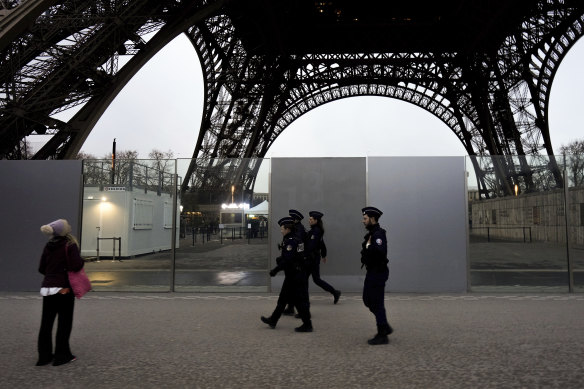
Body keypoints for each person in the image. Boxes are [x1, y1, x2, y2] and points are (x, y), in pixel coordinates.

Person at [36, 219, 84, 366]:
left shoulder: (48, 245)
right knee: (64, 322)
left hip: (48, 288)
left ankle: (44, 357)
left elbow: (41, 268)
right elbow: (76, 265)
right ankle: (62, 355)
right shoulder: (70, 245)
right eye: (67, 224)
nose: (69, 225)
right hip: (64, 288)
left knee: (46, 323)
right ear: (64, 230)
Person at [261, 217, 313, 332]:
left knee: (299, 301)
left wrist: (275, 270)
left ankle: (307, 324)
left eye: (282, 228)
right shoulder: (294, 238)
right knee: (283, 299)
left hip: (295, 275)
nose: (281, 230)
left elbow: (288, 260)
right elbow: (293, 256)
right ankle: (273, 320)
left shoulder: (291, 240)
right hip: (294, 274)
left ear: (288, 229)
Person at [360, 207, 393, 345]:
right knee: (367, 299)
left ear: (372, 219)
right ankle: (384, 325)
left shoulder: (378, 234)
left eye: (365, 218)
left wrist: (368, 247)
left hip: (378, 272)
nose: (363, 221)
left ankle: (382, 334)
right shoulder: (371, 234)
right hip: (372, 271)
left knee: (377, 303)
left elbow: (380, 252)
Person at [306, 211, 341, 304]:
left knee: (313, 279)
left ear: (316, 220)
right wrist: (324, 255)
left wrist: (304, 255)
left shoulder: (316, 231)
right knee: (313, 279)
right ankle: (335, 292)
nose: (309, 220)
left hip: (312, 259)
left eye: (311, 219)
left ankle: (335, 292)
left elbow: (312, 246)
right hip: (313, 258)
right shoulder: (315, 230)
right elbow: (322, 244)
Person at [283, 209, 307, 316]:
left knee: (298, 289)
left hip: (296, 263)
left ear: (296, 220)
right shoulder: (297, 229)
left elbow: (298, 246)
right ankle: (291, 307)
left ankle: (303, 313)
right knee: (292, 287)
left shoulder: (299, 230)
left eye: (292, 219)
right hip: (294, 262)